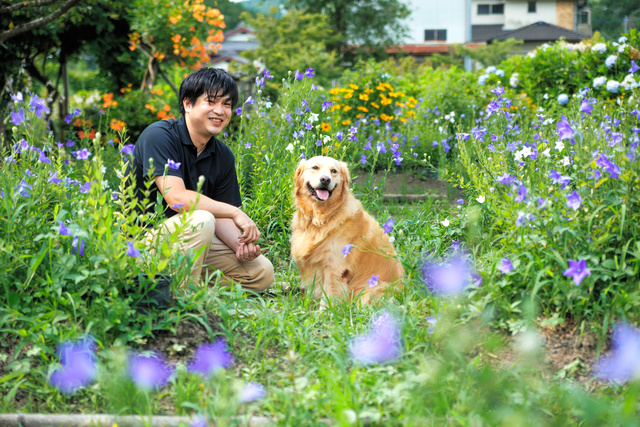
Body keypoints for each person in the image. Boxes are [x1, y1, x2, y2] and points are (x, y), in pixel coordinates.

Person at [128, 67, 274, 292]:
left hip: (192, 243)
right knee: (201, 219)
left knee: (261, 272)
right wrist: (237, 212)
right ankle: (180, 300)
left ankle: (185, 285)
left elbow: (221, 215)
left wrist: (241, 244)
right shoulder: (159, 135)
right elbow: (177, 199)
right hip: (143, 244)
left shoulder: (223, 155)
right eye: (211, 101)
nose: (220, 111)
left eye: (226, 104)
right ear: (188, 104)